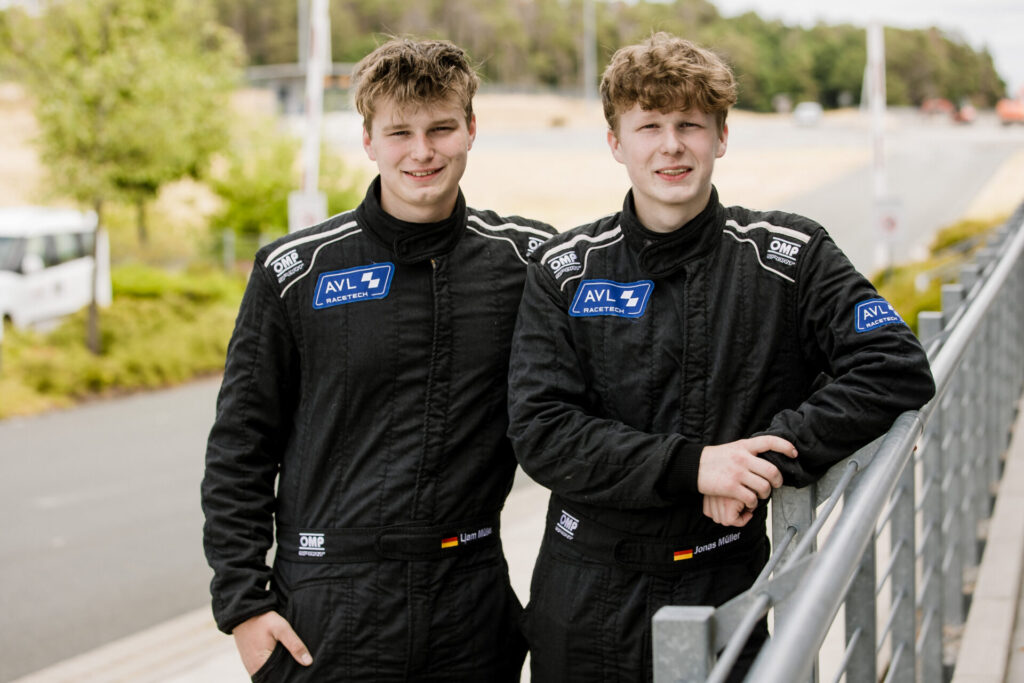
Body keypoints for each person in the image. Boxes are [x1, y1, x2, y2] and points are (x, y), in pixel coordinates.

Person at [506, 32, 936, 682]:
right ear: (616, 143)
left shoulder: (789, 255)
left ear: (722, 136)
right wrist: (695, 466)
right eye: (649, 125)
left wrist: (764, 458)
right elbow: (543, 432)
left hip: (723, 582)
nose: (671, 144)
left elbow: (895, 366)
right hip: (582, 596)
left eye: (690, 124)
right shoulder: (564, 270)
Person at [201, 37, 555, 682]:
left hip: (471, 605)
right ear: (367, 139)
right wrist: (243, 607)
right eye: (400, 133)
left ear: (471, 129)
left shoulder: (527, 262)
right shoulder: (296, 271)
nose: (422, 152)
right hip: (325, 608)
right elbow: (240, 448)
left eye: (442, 128)